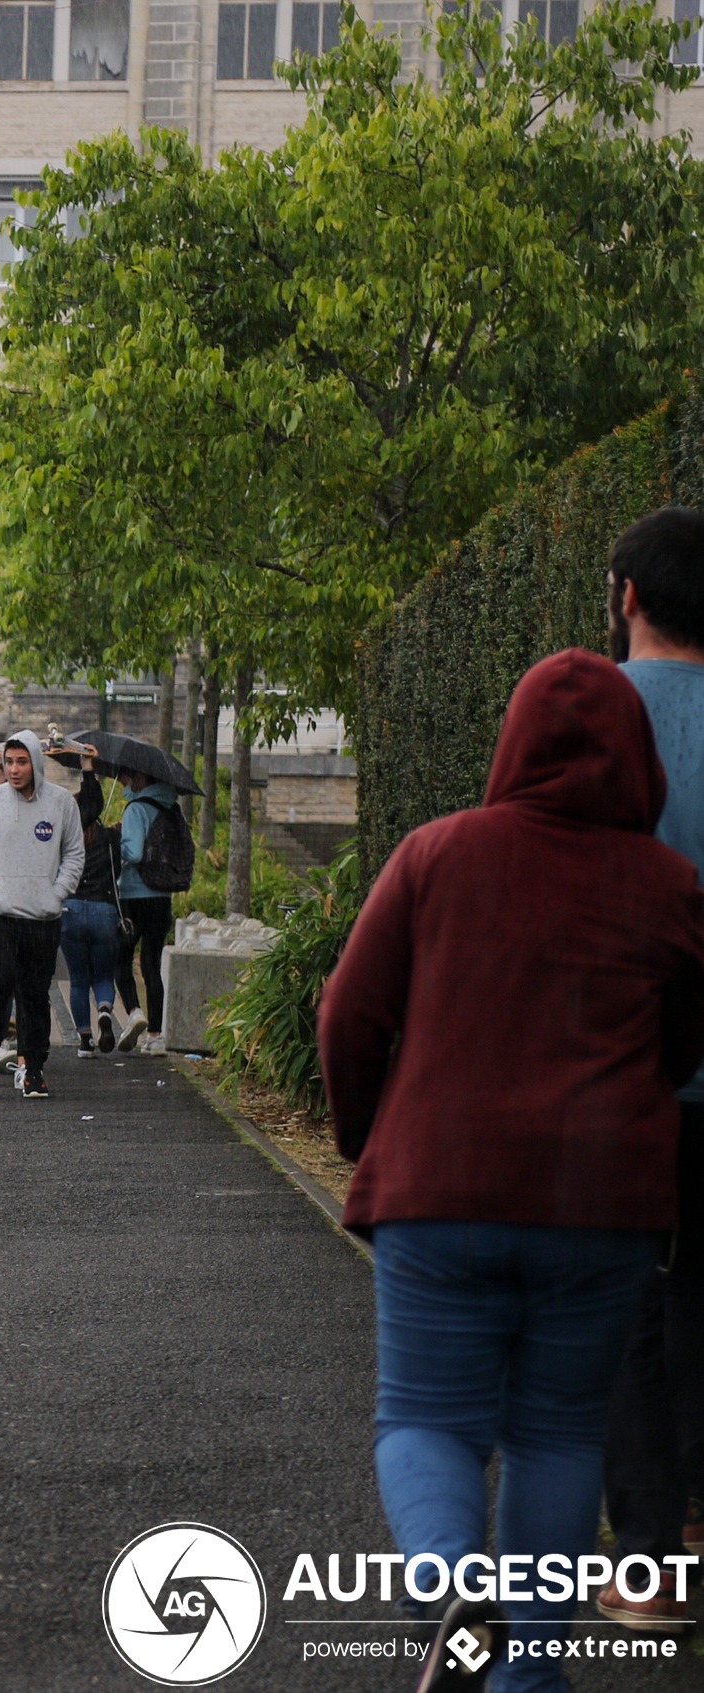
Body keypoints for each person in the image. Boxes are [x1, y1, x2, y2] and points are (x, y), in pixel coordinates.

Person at [320, 649, 704, 1690]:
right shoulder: (669, 886)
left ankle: (451, 1588)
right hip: (601, 1205)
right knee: (556, 1435)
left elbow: (348, 1013)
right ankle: (526, 1672)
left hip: (438, 1188)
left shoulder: (435, 854)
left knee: (423, 1419)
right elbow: (682, 1043)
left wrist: (373, 1142)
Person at [602, 505, 704, 1627]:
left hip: (618, 1057)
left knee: (625, 1299)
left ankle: (645, 1562)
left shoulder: (588, 710)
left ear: (624, 592)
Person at [0, 731, 84, 1100]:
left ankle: (34, 1069)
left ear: (36, 763)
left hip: (42, 918)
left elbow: (74, 853)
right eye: (7, 763)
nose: (13, 770)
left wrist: (56, 893)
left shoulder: (61, 804)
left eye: (21, 762)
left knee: (34, 994)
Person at [113, 769, 184, 1054]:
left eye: (126, 780)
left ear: (139, 780)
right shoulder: (171, 808)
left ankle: (133, 1011)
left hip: (134, 894)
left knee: (121, 957)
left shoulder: (136, 808)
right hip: (162, 895)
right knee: (152, 963)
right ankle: (155, 1036)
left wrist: (119, 837)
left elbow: (135, 853)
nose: (124, 786)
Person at [60, 758, 122, 1058]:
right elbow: (117, 873)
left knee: (78, 979)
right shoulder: (110, 838)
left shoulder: (65, 840)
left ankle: (85, 1040)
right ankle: (106, 1010)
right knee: (103, 975)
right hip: (104, 911)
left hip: (70, 911)